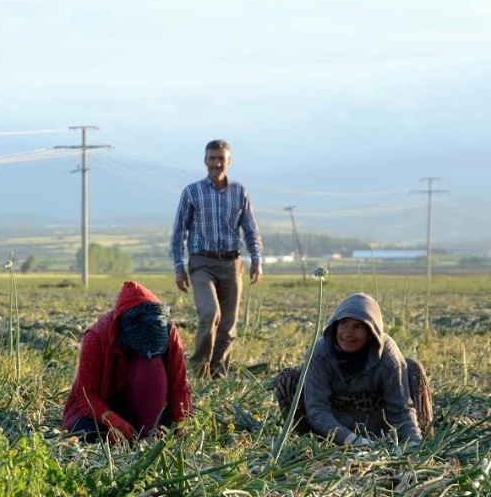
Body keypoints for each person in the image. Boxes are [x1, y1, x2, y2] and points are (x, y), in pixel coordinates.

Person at [274, 292, 432, 446]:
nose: (348, 334)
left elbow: (401, 409)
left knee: (413, 369)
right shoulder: (320, 353)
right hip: (330, 425)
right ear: (335, 325)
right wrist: (351, 440)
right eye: (343, 324)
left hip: (380, 423)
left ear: (371, 332)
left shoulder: (388, 356)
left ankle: (422, 434)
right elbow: (317, 409)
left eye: (358, 326)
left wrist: (414, 446)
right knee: (287, 379)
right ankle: (311, 440)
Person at [170, 139, 263, 379]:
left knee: (228, 325)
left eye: (221, 158)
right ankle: (200, 371)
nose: (216, 163)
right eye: (212, 158)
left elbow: (250, 229)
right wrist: (179, 267)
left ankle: (218, 375)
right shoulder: (192, 192)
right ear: (205, 160)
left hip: (232, 264)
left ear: (228, 161)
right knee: (210, 312)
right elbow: (179, 231)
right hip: (201, 263)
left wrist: (257, 260)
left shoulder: (239, 191)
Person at [62, 281, 192, 443]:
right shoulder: (96, 336)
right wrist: (111, 419)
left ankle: (149, 431)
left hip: (147, 403)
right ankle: (130, 433)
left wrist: (184, 424)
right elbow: (85, 394)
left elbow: (179, 386)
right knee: (87, 434)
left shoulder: (168, 331)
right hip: (103, 409)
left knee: (151, 365)